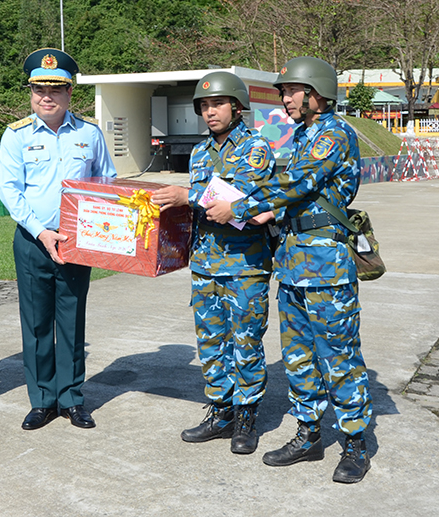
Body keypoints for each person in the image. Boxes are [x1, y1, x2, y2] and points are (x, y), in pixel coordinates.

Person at [205, 57, 373, 483]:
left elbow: (294, 183)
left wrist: (239, 207)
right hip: (294, 261)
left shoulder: (333, 134)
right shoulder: (303, 134)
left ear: (315, 92)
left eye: (290, 92)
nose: (284, 99)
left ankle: (355, 444)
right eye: (282, 92)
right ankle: (309, 434)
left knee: (339, 357)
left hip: (326, 269)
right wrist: (263, 215)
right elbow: (288, 196)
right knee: (298, 358)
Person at [152, 71, 276, 455]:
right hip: (206, 263)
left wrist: (187, 195)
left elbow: (233, 200)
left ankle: (246, 417)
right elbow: (202, 209)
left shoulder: (256, 148)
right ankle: (220, 412)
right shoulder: (200, 152)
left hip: (245, 264)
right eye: (204, 106)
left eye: (217, 104)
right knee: (211, 344)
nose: (210, 112)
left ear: (237, 107)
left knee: (246, 344)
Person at [0, 48, 116, 431]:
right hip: (34, 242)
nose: (46, 97)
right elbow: (9, 191)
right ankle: (42, 400)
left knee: (70, 322)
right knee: (35, 325)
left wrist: (99, 230)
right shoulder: (15, 136)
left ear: (69, 94)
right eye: (38, 90)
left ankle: (72, 399)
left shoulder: (89, 134)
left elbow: (107, 182)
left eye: (55, 89)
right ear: (31, 93)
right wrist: (42, 232)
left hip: (77, 243)